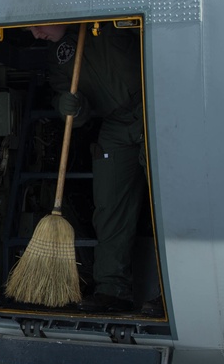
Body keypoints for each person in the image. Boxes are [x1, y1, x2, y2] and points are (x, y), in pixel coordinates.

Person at [29, 22, 147, 313]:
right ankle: (112, 289)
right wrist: (71, 107)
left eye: (37, 25)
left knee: (167, 199)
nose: (36, 34)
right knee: (110, 204)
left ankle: (173, 286)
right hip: (116, 124)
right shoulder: (58, 57)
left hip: (151, 107)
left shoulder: (107, 26)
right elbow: (76, 110)